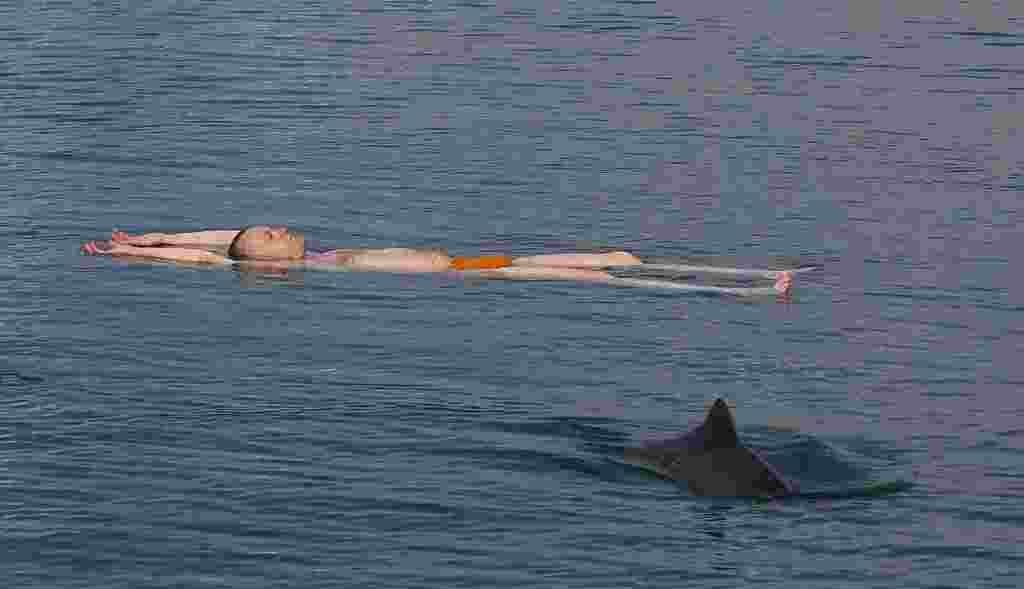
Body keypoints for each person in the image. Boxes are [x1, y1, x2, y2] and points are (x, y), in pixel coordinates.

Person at [81, 226, 792, 294]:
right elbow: (205, 258)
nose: (278, 230)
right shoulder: (303, 270)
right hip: (464, 274)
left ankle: (632, 265)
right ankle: (741, 286)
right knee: (593, 273)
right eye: (268, 235)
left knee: (611, 259)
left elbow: (214, 235)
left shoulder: (318, 255)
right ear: (263, 265)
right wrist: (140, 256)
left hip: (464, 263)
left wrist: (136, 237)